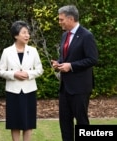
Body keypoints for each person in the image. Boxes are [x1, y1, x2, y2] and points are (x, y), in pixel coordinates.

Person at [51, 5, 98, 141]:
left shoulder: (87, 36)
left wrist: (71, 66)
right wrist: (59, 63)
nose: (59, 22)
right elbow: (65, 57)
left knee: (82, 122)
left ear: (71, 19)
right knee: (64, 122)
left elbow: (92, 59)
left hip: (80, 88)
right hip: (65, 88)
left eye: (61, 19)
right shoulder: (65, 35)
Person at [0, 20, 44, 141]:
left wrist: (28, 74)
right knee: (15, 122)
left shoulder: (33, 51)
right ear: (16, 35)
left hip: (29, 91)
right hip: (13, 91)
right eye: (24, 32)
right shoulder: (7, 52)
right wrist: (14, 74)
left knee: (28, 121)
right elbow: (0, 71)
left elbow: (40, 70)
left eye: (28, 32)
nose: (27, 35)